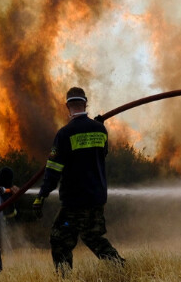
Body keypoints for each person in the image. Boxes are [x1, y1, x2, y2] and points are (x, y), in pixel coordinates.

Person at [33, 87, 124, 274]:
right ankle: (120, 268)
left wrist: (41, 196)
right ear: (85, 103)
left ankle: (65, 278)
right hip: (97, 198)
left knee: (60, 240)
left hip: (74, 201)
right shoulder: (100, 129)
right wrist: (96, 126)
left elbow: (53, 171)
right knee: (94, 237)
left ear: (67, 106)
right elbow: (102, 154)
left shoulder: (65, 134)